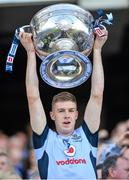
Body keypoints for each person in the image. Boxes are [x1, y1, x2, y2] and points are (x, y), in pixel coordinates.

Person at [19, 28, 108, 179]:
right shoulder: (45, 139)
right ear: (52, 115)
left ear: (76, 114)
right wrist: (30, 52)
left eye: (71, 110)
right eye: (61, 111)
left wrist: (97, 49)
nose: (66, 115)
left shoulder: (87, 135)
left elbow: (97, 94)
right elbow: (33, 97)